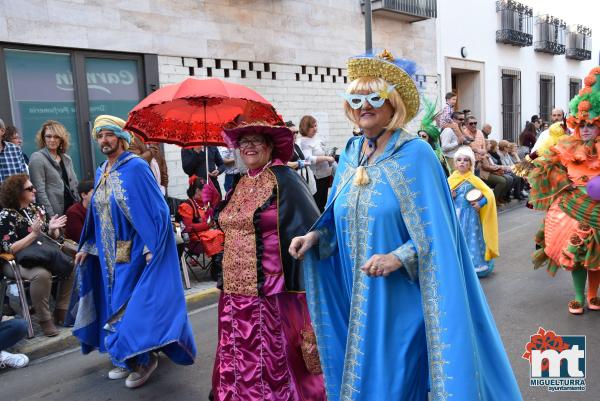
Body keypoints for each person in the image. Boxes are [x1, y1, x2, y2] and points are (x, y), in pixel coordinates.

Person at [289, 50, 522, 401]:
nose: (363, 106)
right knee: (364, 379)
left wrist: (397, 257)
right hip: (357, 293)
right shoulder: (352, 152)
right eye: (355, 98)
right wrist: (315, 235)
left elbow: (438, 235)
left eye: (373, 97)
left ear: (392, 102)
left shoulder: (417, 155)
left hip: (401, 299)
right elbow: (337, 215)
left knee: (393, 386)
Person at [72, 115, 196, 389]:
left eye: (109, 134)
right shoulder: (103, 169)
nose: (104, 140)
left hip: (132, 251)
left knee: (128, 305)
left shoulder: (136, 167)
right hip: (106, 257)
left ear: (121, 137)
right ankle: (127, 357)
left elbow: (158, 209)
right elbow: (98, 213)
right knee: (113, 304)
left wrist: (152, 245)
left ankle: (144, 359)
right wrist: (88, 246)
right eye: (100, 136)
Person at [211, 123, 325, 401]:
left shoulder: (284, 178)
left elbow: (311, 226)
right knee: (238, 350)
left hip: (272, 287)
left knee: (272, 351)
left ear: (270, 145)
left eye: (256, 141)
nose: (249, 146)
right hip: (234, 288)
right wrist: (214, 202)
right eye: (244, 142)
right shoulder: (241, 181)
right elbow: (231, 222)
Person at [528, 67, 600, 315]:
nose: (586, 129)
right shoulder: (566, 147)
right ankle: (579, 296)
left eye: (591, 125)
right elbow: (547, 166)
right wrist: (564, 182)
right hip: (573, 208)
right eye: (582, 124)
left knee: (596, 259)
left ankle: (593, 295)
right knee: (577, 255)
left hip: (598, 211)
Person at [0, 174, 72, 336]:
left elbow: (49, 238)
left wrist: (53, 229)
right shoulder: (6, 215)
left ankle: (62, 310)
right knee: (41, 275)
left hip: (41, 255)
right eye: (29, 188)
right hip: (17, 261)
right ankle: (44, 319)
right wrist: (33, 235)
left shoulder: (36, 209)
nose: (35, 190)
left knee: (70, 263)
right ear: (17, 192)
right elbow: (9, 248)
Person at [449, 146, 498, 277]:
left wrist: (480, 203)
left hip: (471, 217)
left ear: (471, 163)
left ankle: (476, 266)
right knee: (456, 241)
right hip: (455, 216)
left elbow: (489, 194)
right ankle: (458, 267)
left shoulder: (474, 179)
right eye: (459, 160)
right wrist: (450, 196)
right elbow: (442, 199)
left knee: (472, 240)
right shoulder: (450, 180)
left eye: (466, 160)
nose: (462, 162)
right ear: (455, 163)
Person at [28, 121, 79, 217]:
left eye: (56, 137)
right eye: (48, 136)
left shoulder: (66, 158)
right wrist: (50, 216)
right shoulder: (37, 158)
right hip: (55, 213)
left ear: (61, 139)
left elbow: (74, 185)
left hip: (72, 209)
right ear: (43, 138)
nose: (52, 140)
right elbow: (39, 191)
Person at [178, 175, 224, 266]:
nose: (208, 194)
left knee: (222, 233)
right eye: (206, 191)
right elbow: (188, 227)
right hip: (194, 239)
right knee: (217, 235)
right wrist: (207, 225)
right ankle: (217, 267)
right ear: (197, 191)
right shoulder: (187, 205)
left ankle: (218, 265)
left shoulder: (206, 204)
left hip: (206, 234)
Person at [297, 115, 335, 211]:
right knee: (317, 205)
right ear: (305, 127)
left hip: (324, 175)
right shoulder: (303, 141)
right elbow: (308, 159)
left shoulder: (316, 138)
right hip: (315, 177)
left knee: (322, 203)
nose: (315, 128)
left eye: (315, 126)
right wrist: (326, 158)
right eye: (311, 126)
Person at [287, 121, 317, 195]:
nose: (295, 135)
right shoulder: (283, 148)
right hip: (294, 186)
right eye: (292, 132)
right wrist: (301, 163)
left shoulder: (296, 146)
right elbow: (284, 164)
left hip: (305, 183)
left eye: (296, 132)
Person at [0, 118, 28, 183]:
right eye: (15, 138)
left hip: (15, 193)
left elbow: (25, 179)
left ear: (2, 131)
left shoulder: (15, 150)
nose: (20, 141)